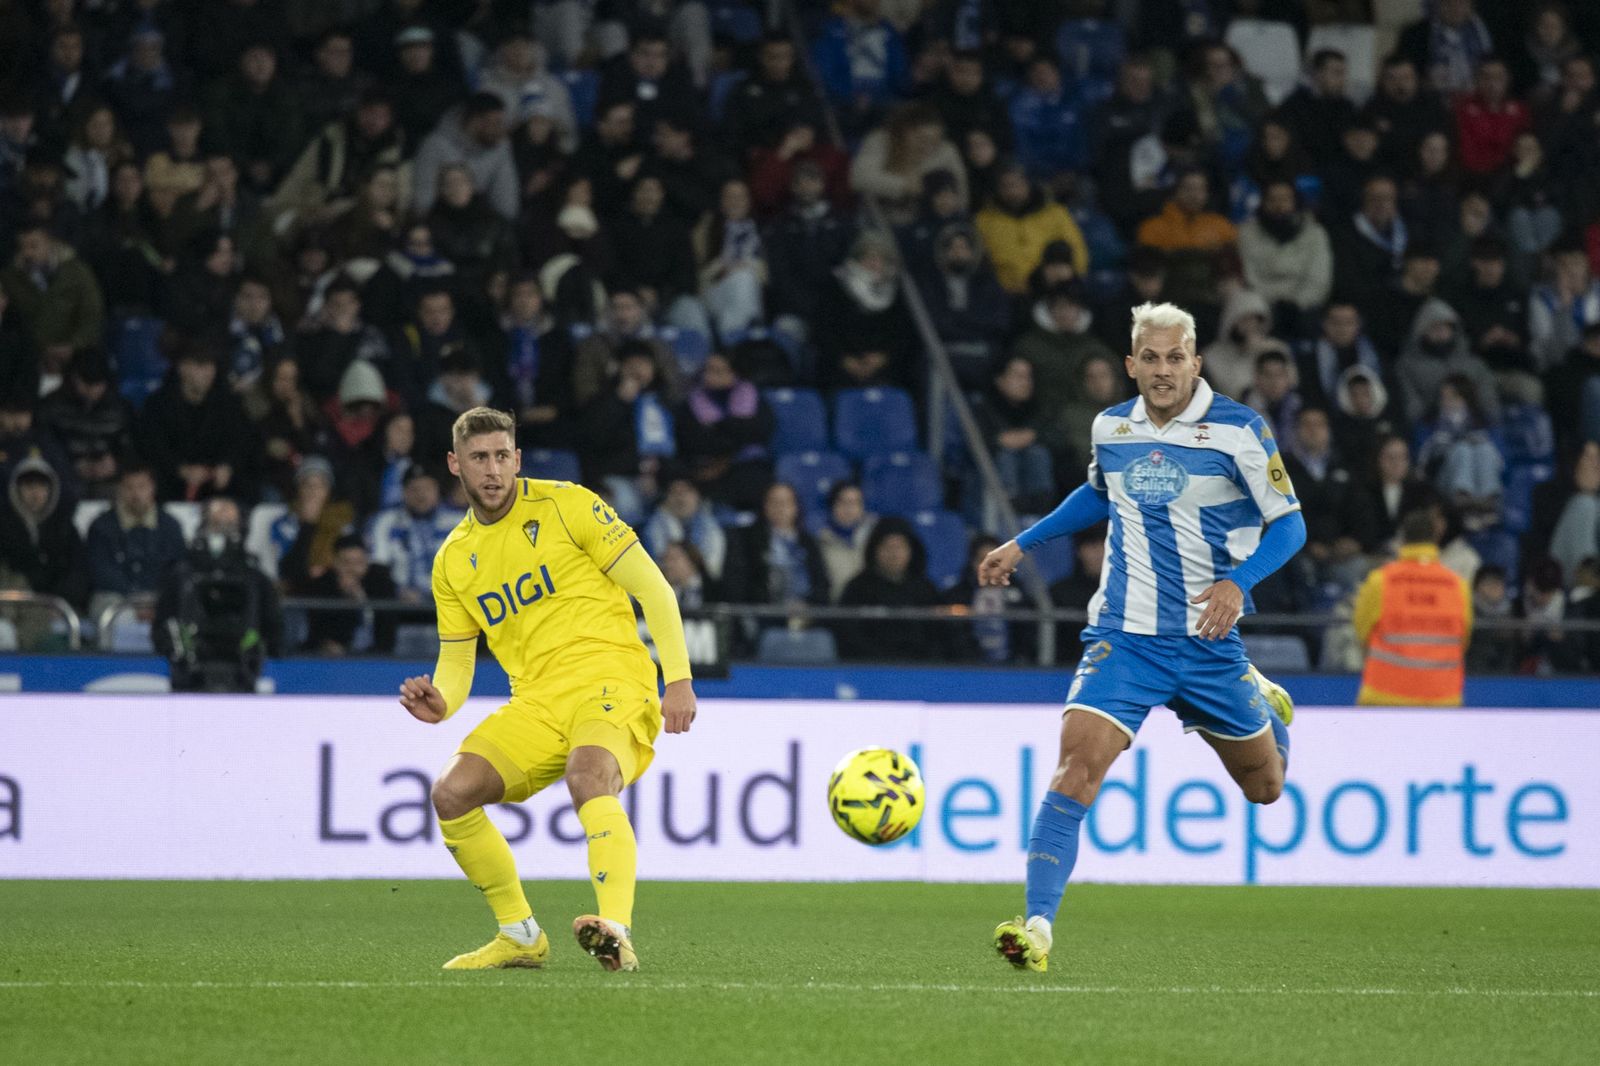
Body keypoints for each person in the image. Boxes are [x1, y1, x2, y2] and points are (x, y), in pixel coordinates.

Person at [977, 301, 1306, 973]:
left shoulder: (1241, 430)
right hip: (1124, 638)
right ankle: (1036, 926)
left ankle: (1261, 699)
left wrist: (1238, 583)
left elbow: (1291, 525)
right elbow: (1100, 494)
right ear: (1131, 364)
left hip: (1208, 642)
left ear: (1196, 362)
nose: (1162, 371)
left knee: (1266, 788)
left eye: (1174, 358)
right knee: (1075, 771)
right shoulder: (1111, 427)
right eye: (1150, 358)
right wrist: (1021, 543)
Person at [396, 406, 696, 973]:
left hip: (613, 678)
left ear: (518, 459)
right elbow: (457, 661)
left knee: (588, 776)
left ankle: (616, 929)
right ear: (455, 465)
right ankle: (519, 934)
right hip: (536, 702)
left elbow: (655, 589)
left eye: (501, 456)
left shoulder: (569, 505)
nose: (492, 470)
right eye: (479, 458)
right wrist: (442, 702)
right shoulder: (453, 560)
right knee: (451, 794)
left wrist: (677, 678)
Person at [1353, 509, 1472, 706]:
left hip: (1384, 695)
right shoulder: (1457, 585)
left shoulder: (1381, 581)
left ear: (1403, 539)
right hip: (1442, 698)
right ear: (1436, 537)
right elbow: (1463, 639)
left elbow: (1362, 632)